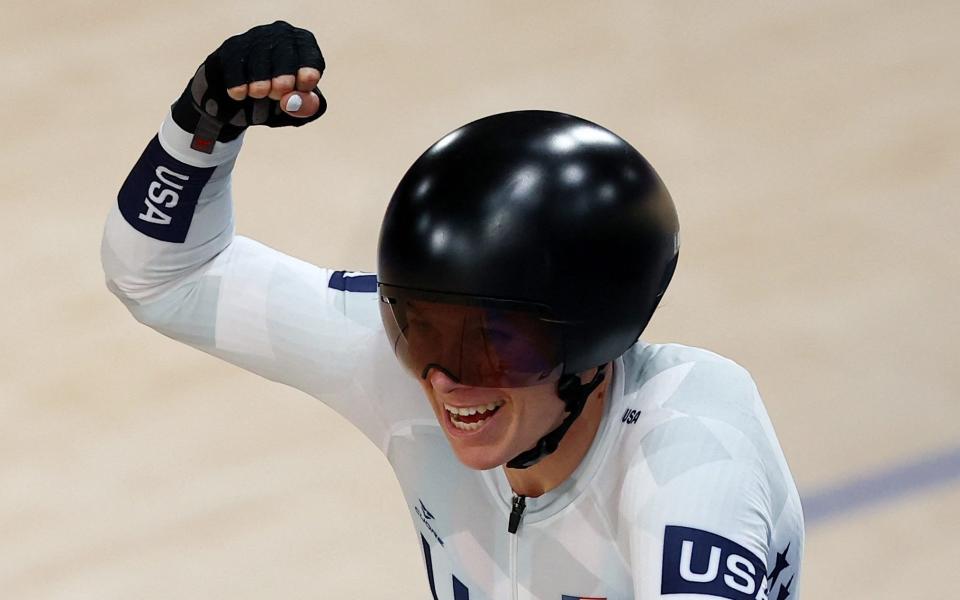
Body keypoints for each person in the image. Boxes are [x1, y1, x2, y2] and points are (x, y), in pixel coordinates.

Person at [101, 21, 804, 600]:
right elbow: (166, 278)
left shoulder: (695, 440)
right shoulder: (408, 370)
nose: (445, 380)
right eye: (419, 329)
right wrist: (202, 127)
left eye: (494, 346)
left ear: (595, 338)